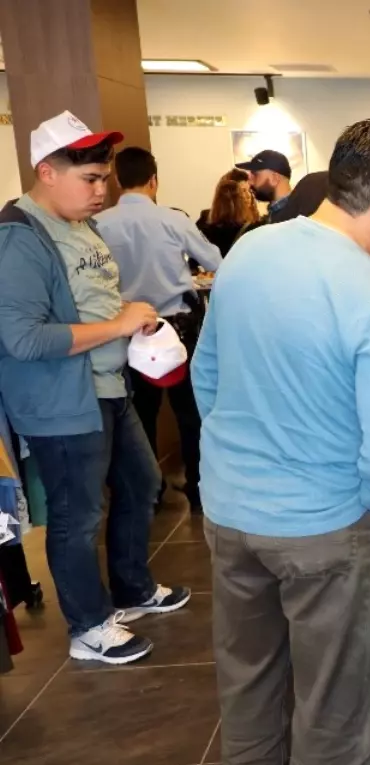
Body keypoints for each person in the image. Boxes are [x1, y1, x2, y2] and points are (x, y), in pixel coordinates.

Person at [194, 118, 370, 765]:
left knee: (248, 687)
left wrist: (244, 463)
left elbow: (207, 379)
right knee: (333, 712)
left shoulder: (247, 253)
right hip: (328, 527)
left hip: (232, 516)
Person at [0, 111, 191, 665]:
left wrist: (135, 322)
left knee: (142, 482)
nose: (102, 189)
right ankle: (88, 626)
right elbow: (25, 340)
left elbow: (95, 297)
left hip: (107, 386)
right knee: (77, 515)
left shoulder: (81, 224)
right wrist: (119, 325)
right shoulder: (19, 237)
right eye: (90, 179)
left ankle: (130, 589)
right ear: (47, 171)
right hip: (61, 403)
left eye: (104, 177)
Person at [95, 146, 222, 512]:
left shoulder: (99, 225)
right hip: (177, 329)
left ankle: (149, 491)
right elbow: (216, 261)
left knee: (140, 416)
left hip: (128, 332)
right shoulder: (174, 219)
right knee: (190, 414)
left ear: (117, 180)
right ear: (154, 180)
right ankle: (199, 488)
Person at [198, 172, 259, 255]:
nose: (248, 196)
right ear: (229, 194)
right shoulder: (207, 221)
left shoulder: (255, 220)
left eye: (249, 191)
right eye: (242, 191)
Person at [235, 149, 293, 220]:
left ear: (274, 178)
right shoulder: (278, 213)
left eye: (255, 175)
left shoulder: (298, 215)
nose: (250, 182)